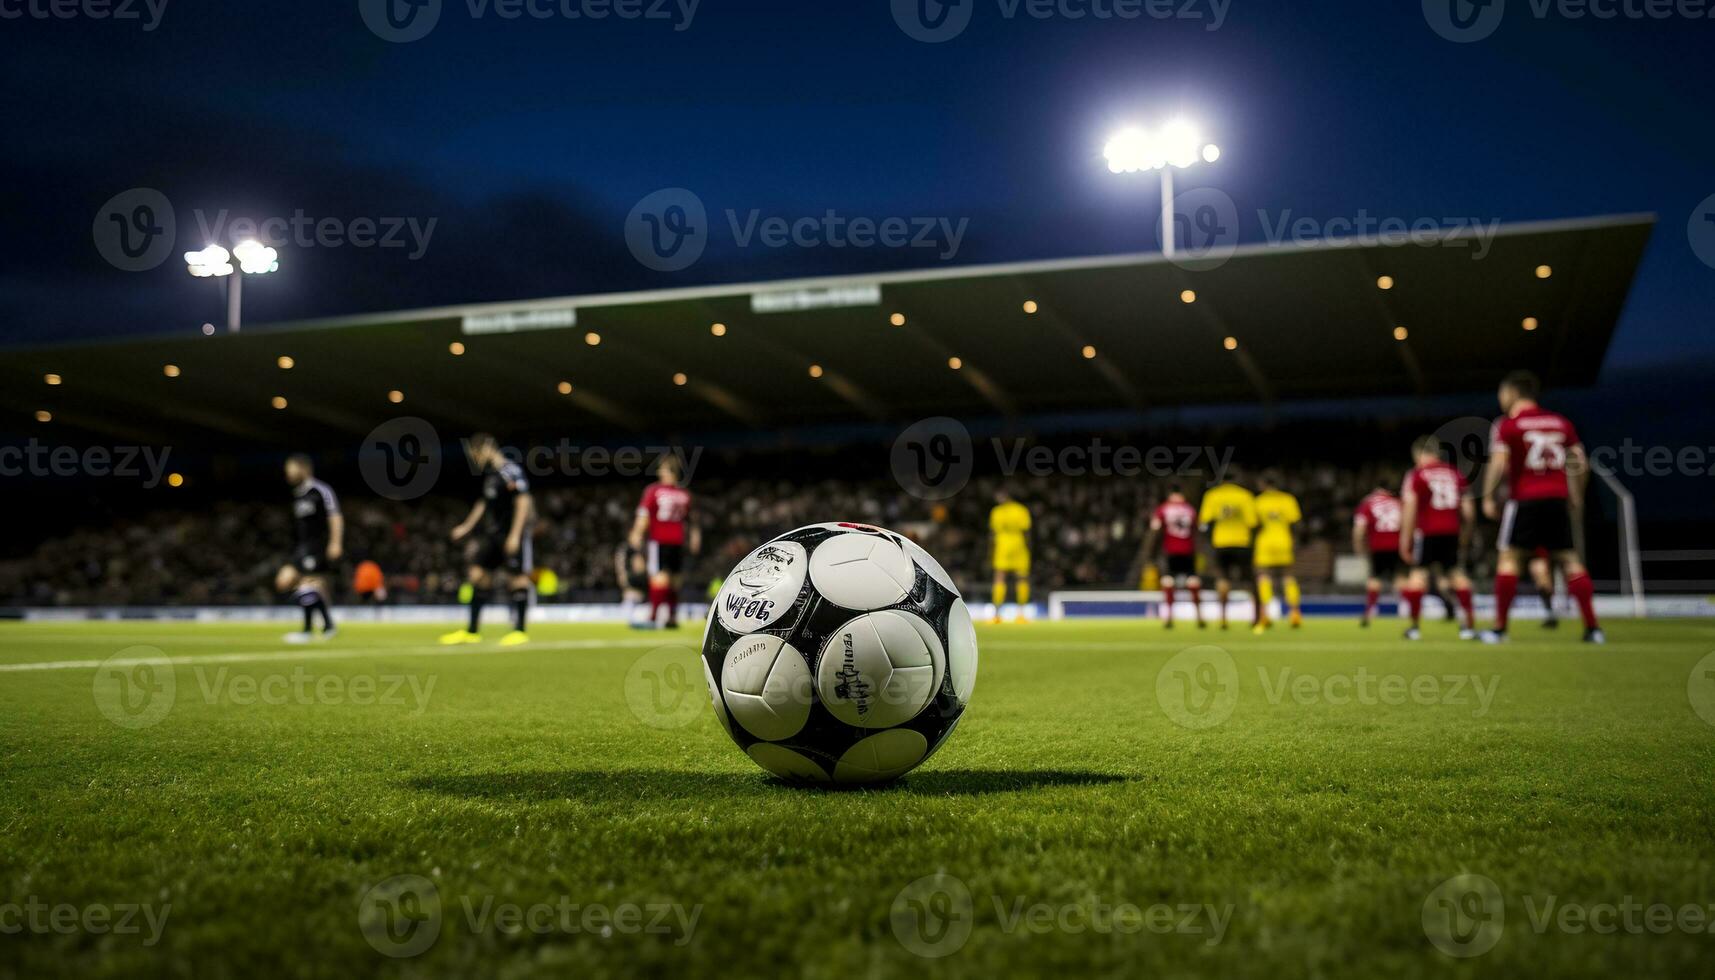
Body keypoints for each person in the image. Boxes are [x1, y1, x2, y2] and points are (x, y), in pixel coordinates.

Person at [1480, 370, 1604, 644]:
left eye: (1502, 393)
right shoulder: (1561, 423)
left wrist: (1488, 496)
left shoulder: (1507, 424)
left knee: (1509, 559)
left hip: (1524, 499)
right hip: (1557, 499)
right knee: (1570, 560)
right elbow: (1580, 463)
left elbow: (1499, 462)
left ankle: (1499, 630)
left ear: (1512, 393)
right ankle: (1593, 629)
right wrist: (1575, 494)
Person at [440, 434, 534, 645]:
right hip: (493, 535)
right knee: (478, 575)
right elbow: (483, 503)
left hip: (511, 533)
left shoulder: (510, 470)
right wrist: (466, 526)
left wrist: (515, 535)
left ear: (486, 449)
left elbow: (523, 500)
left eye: (475, 454)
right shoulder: (491, 475)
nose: (475, 459)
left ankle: (519, 631)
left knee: (516, 578)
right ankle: (472, 632)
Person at [1399, 436, 1478, 640]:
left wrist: (1405, 539)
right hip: (1452, 531)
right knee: (1457, 575)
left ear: (1419, 454)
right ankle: (1468, 626)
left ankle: (1414, 628)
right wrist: (1464, 537)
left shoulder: (1417, 474)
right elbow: (1469, 511)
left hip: (1427, 532)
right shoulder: (1455, 473)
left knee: (1418, 577)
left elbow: (1410, 508)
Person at [277, 454, 342, 643]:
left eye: (290, 468)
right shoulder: (298, 494)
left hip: (317, 545)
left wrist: (335, 542)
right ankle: (327, 625)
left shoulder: (320, 490)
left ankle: (308, 630)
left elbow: (335, 516)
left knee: (307, 584)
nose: (287, 473)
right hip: (301, 547)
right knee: (285, 581)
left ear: (303, 468)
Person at [629, 454, 698, 629]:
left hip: (659, 541)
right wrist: (695, 539)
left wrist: (636, 534)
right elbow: (693, 521)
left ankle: (652, 618)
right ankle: (672, 618)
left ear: (667, 471)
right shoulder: (685, 494)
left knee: (660, 579)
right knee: (675, 580)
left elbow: (643, 515)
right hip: (678, 541)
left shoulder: (654, 491)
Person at [1197, 474, 1257, 630]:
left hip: (1221, 542)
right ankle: (1255, 617)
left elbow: (1204, 522)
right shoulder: (1245, 495)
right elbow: (1252, 522)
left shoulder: (1212, 495)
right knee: (1248, 579)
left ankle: (1223, 618)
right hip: (1242, 542)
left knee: (1223, 578)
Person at [1144, 485, 1203, 628]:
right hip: (1188, 550)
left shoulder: (1163, 509)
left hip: (1170, 551)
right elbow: (1198, 530)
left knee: (1168, 582)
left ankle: (1169, 616)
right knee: (1193, 581)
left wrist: (1150, 552)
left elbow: (1155, 530)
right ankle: (1199, 616)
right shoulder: (1190, 509)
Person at [1251, 473, 1304, 632]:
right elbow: (1296, 523)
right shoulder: (1288, 499)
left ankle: (1265, 614)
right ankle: (1294, 612)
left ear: (1263, 484)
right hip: (1284, 541)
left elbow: (1254, 523)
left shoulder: (1258, 501)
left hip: (1265, 542)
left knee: (1263, 576)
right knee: (1288, 577)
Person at [1353, 477, 1405, 628]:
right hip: (1397, 545)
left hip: (1378, 546)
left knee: (1375, 579)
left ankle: (1369, 612)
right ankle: (1408, 610)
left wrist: (1358, 547)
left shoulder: (1368, 502)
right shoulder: (1398, 502)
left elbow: (1359, 528)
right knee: (1400, 579)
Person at [987, 488, 1032, 624]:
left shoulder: (996, 511)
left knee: (1000, 578)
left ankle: (996, 615)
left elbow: (992, 534)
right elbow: (1027, 532)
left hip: (1002, 546)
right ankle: (1021, 615)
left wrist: (990, 552)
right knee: (1022, 578)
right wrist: (1029, 549)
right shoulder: (1021, 510)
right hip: (1019, 545)